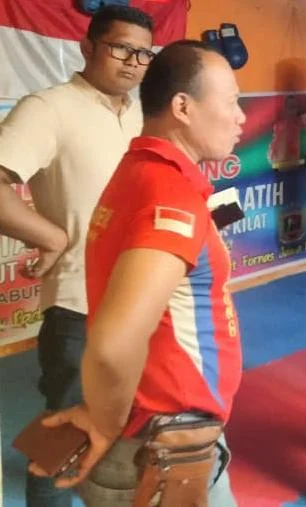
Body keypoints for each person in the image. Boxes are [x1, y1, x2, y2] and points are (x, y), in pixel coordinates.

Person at [27, 40, 246, 506]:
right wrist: (104, 419)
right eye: (231, 102)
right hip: (162, 440)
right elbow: (113, 343)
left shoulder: (140, 170)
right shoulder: (170, 195)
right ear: (183, 107)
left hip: (154, 432)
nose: (241, 117)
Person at [0, 6, 153, 506]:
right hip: (80, 303)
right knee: (63, 435)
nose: (132, 62)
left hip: (146, 302)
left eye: (143, 54)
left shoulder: (143, 115)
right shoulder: (48, 108)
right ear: (87, 47)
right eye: (121, 48)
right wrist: (51, 237)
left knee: (139, 431)